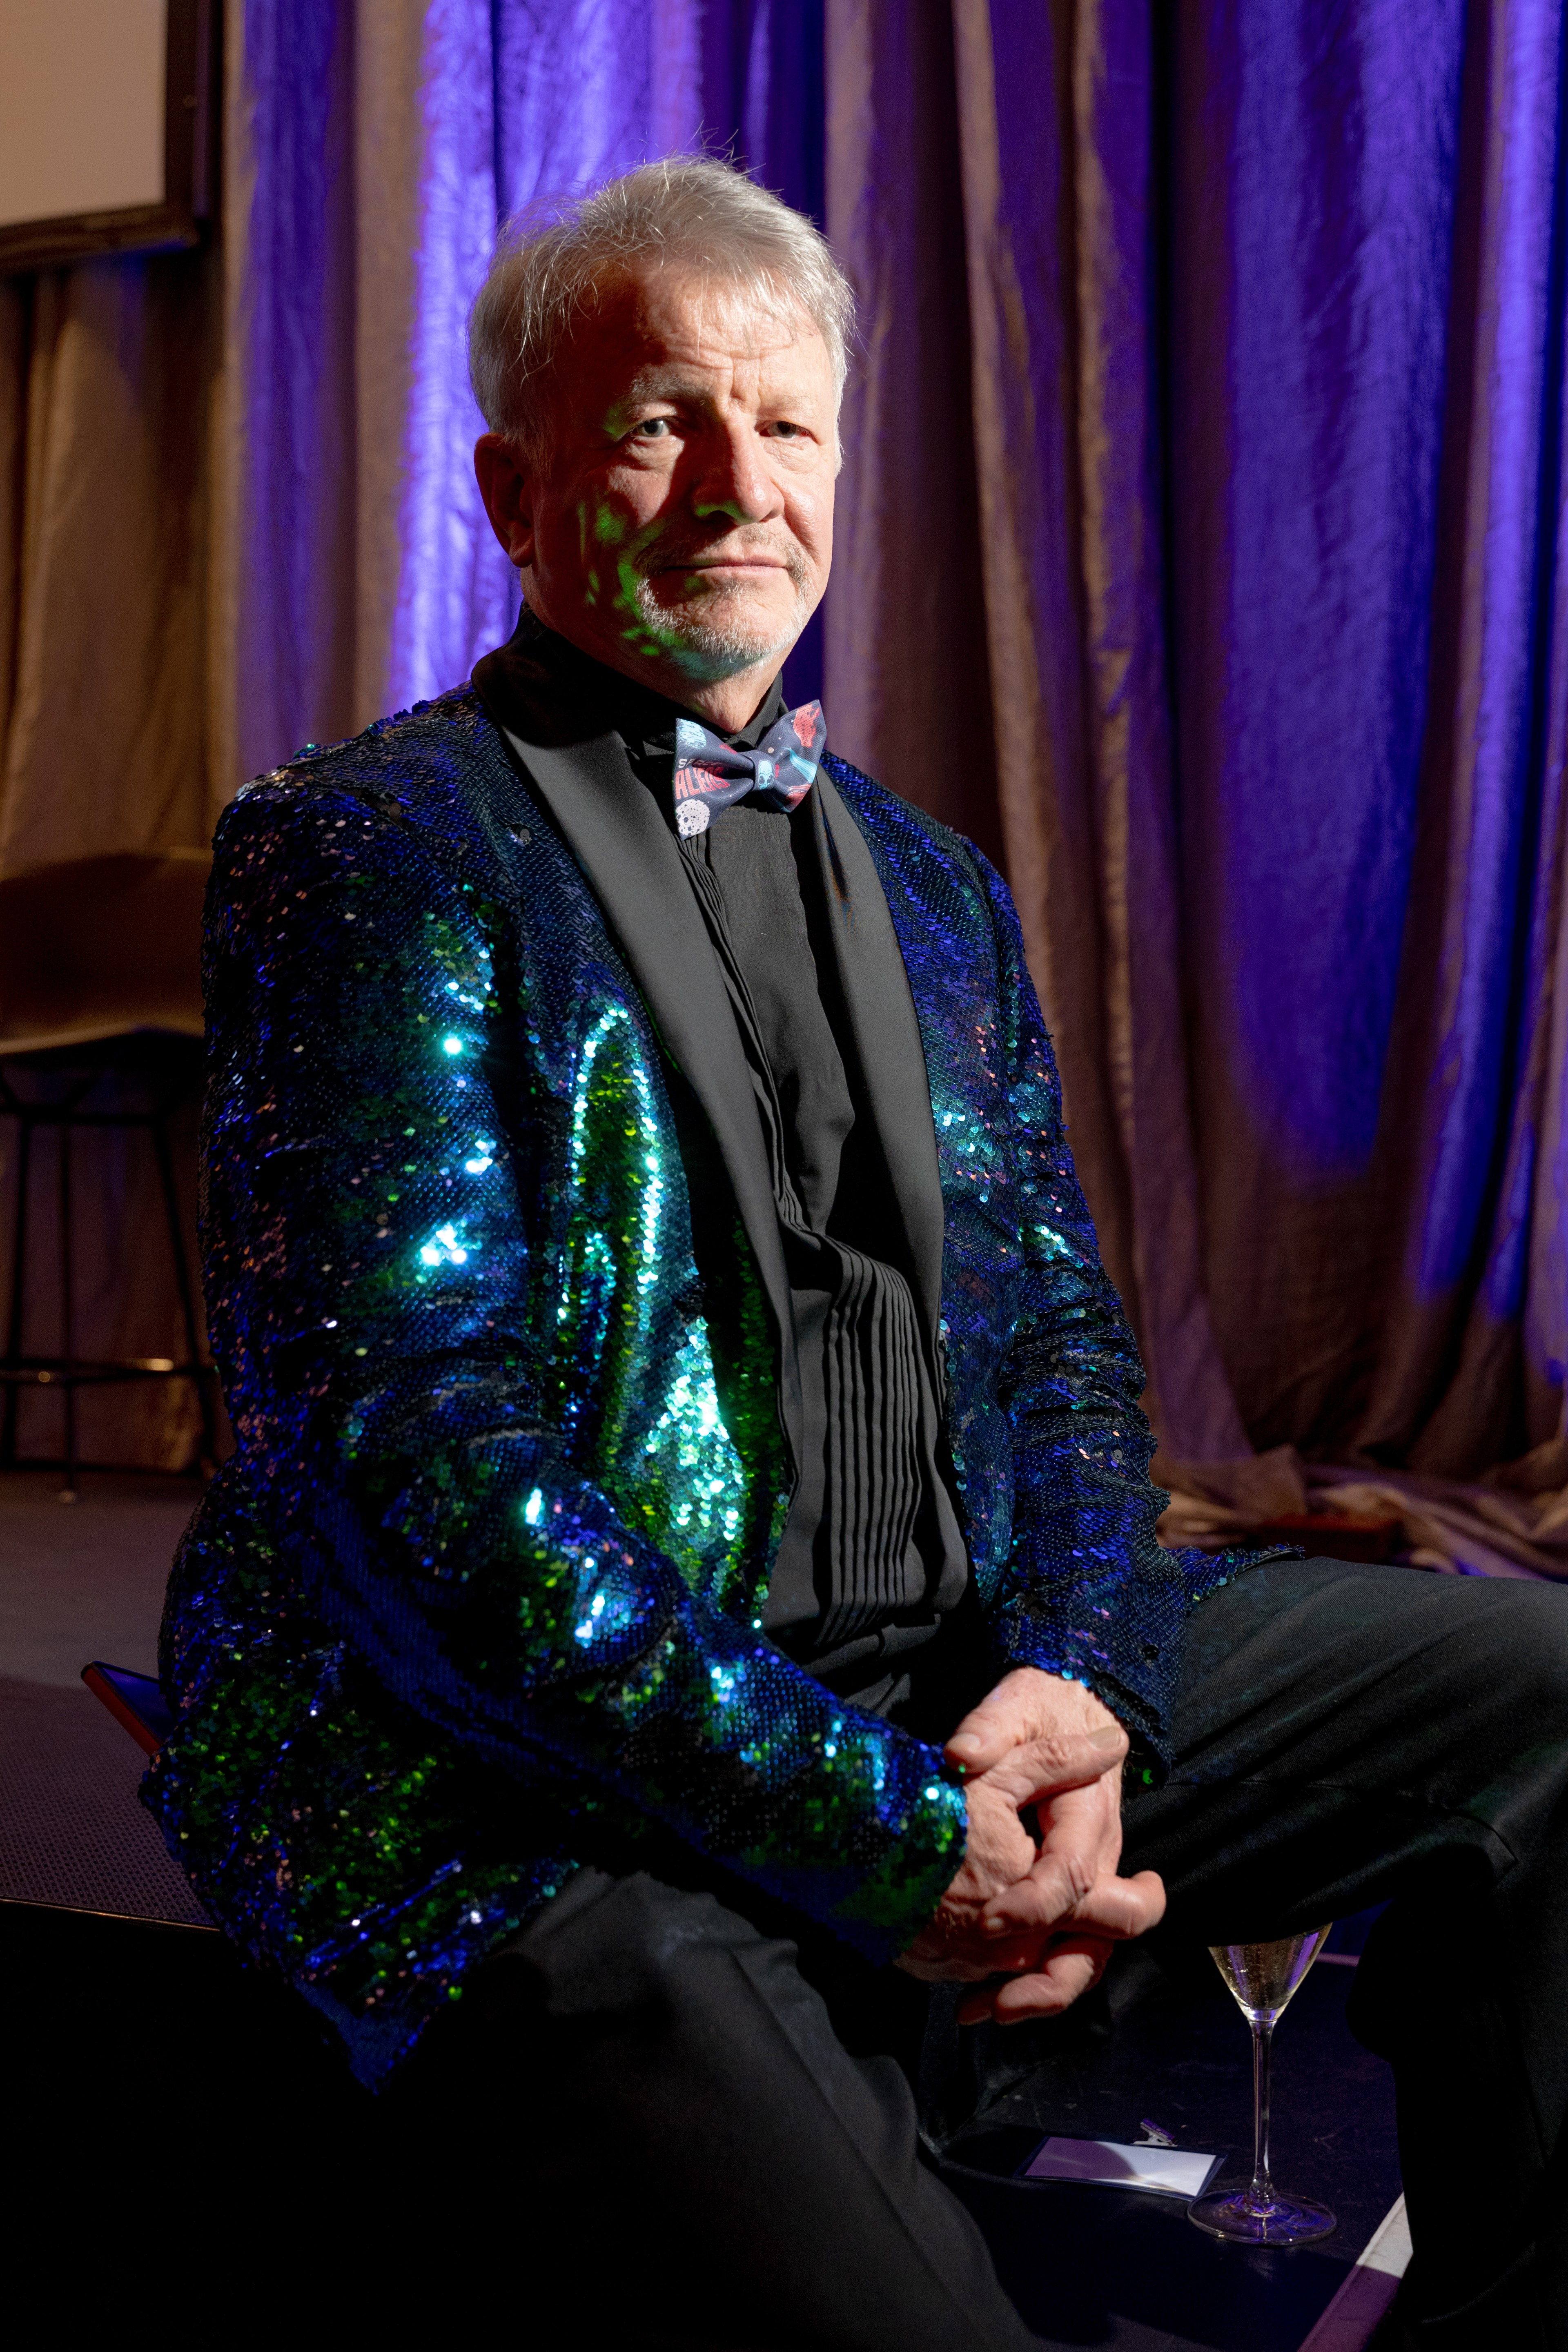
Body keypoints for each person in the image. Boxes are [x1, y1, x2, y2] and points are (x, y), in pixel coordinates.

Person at [147, 159, 1568, 2350]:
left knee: (1547, 1701)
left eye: (787, 424)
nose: (739, 482)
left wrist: (1080, 1684)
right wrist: (888, 1835)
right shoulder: (366, 849)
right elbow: (427, 1474)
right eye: (656, 423)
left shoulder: (932, 881)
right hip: (525, 1776)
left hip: (943, 1671)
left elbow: (1075, 1366)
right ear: (517, 495)